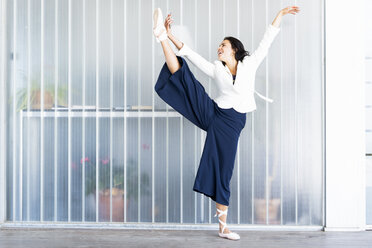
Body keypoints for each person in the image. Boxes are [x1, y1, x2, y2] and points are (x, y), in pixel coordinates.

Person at [153, 6, 300, 241]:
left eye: (224, 45)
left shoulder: (250, 63)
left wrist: (280, 14)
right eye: (219, 45)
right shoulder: (217, 69)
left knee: (224, 170)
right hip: (213, 113)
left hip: (232, 122)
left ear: (235, 50)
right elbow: (190, 53)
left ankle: (223, 227)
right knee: (186, 78)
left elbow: (267, 39)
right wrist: (169, 34)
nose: (219, 47)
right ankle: (160, 36)